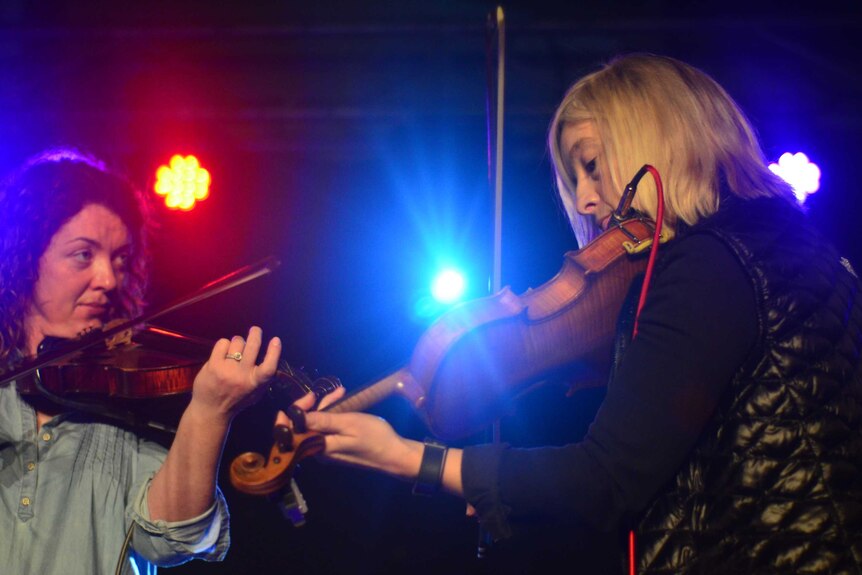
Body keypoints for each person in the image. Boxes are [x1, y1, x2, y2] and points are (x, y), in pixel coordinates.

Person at [280, 54, 862, 573]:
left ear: (654, 141)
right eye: (575, 178)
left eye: (592, 165)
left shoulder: (709, 264)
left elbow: (602, 482)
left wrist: (407, 457)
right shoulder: (799, 251)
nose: (585, 200)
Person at [0, 147, 282, 574]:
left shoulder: (127, 402)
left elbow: (172, 539)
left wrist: (209, 412)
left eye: (120, 260)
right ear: (25, 260)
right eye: (83, 255)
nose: (109, 280)